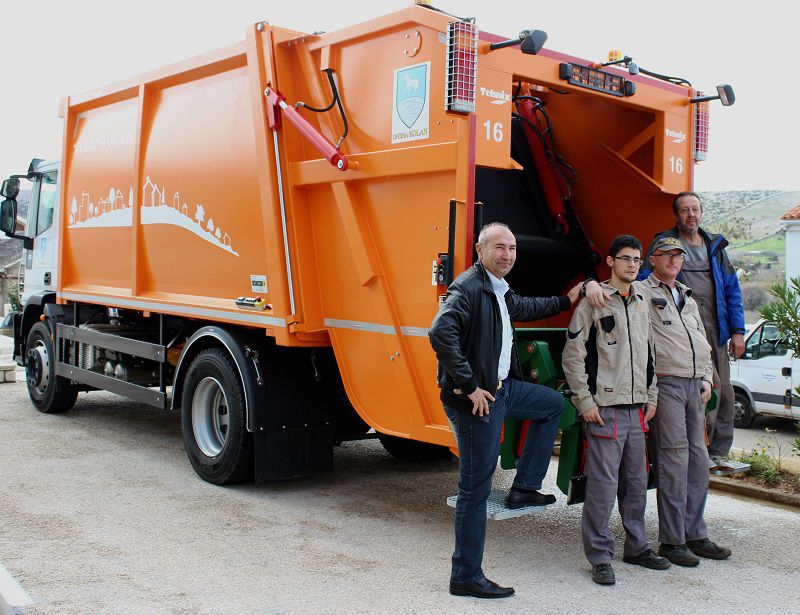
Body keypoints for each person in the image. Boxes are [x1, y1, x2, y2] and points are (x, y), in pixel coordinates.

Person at [428, 222, 594, 599]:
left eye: (512, 249)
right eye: (499, 248)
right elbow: (440, 332)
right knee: (475, 489)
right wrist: (470, 386)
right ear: (480, 251)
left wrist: (567, 301)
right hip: (478, 400)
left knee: (552, 404)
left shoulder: (500, 290)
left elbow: (527, 306)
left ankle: (524, 488)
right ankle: (465, 575)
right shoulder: (469, 287)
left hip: (504, 390)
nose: (507, 255)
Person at [562, 235, 670, 585]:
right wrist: (585, 401)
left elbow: (650, 353)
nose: (632, 265)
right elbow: (573, 357)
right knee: (602, 488)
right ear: (610, 262)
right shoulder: (594, 301)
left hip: (637, 409)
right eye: (625, 259)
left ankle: (637, 548)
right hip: (605, 409)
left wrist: (652, 397)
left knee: (636, 485)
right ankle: (599, 557)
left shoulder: (642, 302)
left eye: (637, 260)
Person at [639, 236, 732, 566]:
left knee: (698, 462)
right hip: (667, 384)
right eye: (668, 256)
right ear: (653, 259)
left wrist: (707, 377)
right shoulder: (642, 294)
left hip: (695, 386)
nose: (675, 261)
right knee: (673, 461)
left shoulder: (687, 297)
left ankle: (696, 534)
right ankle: (672, 540)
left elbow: (703, 342)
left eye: (679, 256)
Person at [640, 192, 746, 470]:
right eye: (685, 210)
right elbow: (643, 282)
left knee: (725, 392)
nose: (691, 215)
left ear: (701, 213)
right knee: (703, 389)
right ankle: (701, 449)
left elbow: (733, 290)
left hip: (718, 328)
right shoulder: (665, 244)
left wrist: (737, 331)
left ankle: (719, 451)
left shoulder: (716, 247)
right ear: (676, 216)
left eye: (695, 209)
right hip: (683, 330)